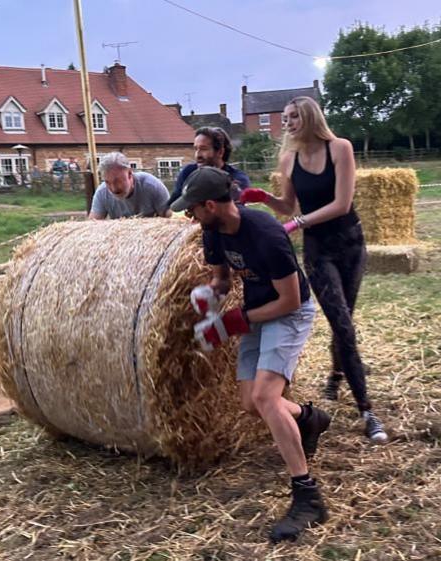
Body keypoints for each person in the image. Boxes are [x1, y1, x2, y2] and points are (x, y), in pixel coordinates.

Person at [171, 166, 330, 543]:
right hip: (258, 312)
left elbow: (290, 299)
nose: (188, 216)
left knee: (265, 396)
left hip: (289, 313)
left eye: (192, 209)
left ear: (211, 204)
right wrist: (211, 294)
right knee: (249, 402)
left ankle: (308, 497)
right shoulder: (211, 231)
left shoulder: (266, 234)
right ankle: (309, 418)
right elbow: (223, 277)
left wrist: (232, 323)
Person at [238, 96, 388, 444]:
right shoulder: (288, 158)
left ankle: (336, 374)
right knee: (342, 325)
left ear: (310, 118)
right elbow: (288, 206)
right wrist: (266, 199)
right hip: (318, 251)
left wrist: (297, 223)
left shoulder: (340, 149)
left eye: (294, 117)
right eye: (286, 117)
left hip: (350, 243)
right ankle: (367, 410)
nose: (288, 122)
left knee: (344, 321)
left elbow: (342, 204)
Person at [167, 127, 251, 207]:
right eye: (196, 149)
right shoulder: (188, 172)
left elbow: (233, 211)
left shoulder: (238, 179)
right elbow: (171, 205)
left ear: (220, 152)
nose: (198, 155)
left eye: (203, 149)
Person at [88, 152, 171, 220]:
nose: (114, 189)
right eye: (107, 182)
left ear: (130, 174)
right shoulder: (102, 192)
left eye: (118, 181)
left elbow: (170, 217)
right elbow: (93, 226)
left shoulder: (152, 186)